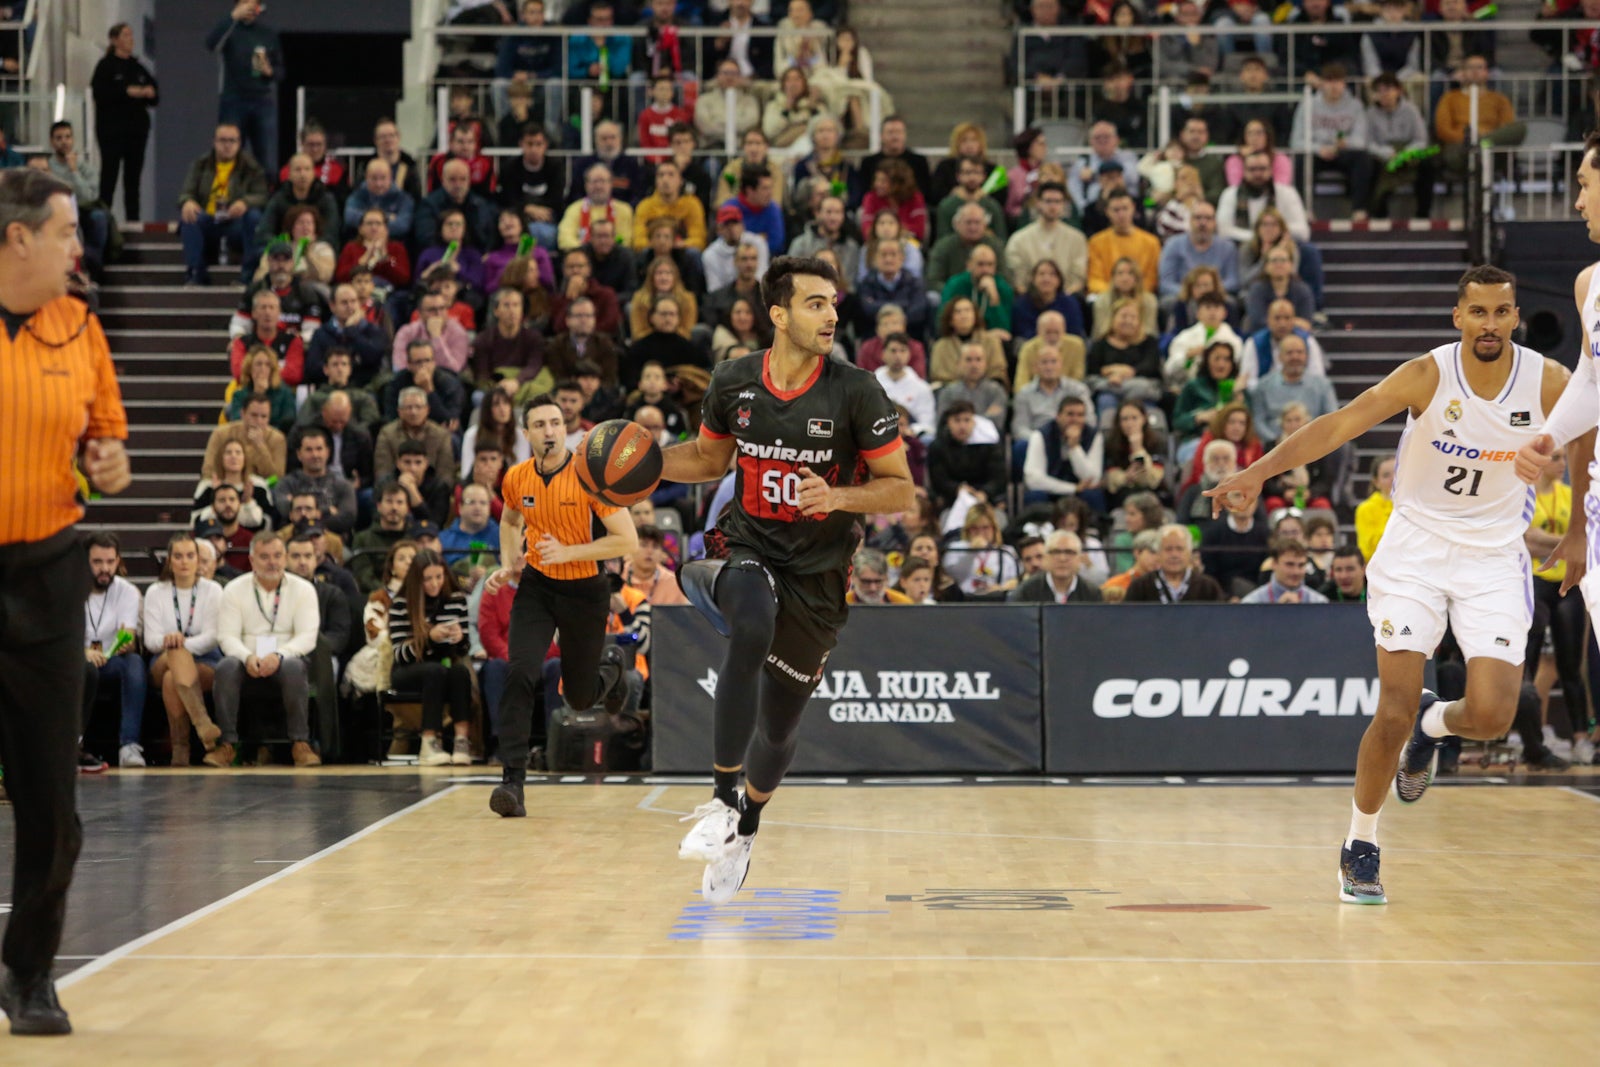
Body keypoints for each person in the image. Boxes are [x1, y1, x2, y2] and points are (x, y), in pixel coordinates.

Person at [1208, 265, 1572, 906]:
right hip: (1417, 550)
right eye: (1478, 312)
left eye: (1502, 312)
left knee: (1490, 716)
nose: (1490, 324)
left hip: (1493, 556)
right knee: (1392, 708)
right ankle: (1361, 843)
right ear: (1457, 317)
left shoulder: (1547, 380)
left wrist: (1579, 519)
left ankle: (1438, 724)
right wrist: (1258, 473)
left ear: (1516, 317)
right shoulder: (1427, 375)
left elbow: (1590, 431)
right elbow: (1337, 425)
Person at [662, 255, 913, 903]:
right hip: (751, 545)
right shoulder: (735, 379)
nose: (831, 314)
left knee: (777, 728)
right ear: (778, 314)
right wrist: (635, 466)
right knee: (749, 623)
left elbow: (901, 492)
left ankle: (744, 825)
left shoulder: (857, 390)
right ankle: (720, 799)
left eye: (833, 302)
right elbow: (709, 458)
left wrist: (836, 498)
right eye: (814, 303)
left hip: (819, 574)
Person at [0, 168, 130, 1035]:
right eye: (65, 232)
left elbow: (106, 439)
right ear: (18, 239)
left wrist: (110, 462)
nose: (78, 247)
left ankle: (30, 971)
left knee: (53, 797)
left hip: (48, 573)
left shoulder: (80, 326)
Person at [481, 394, 639, 814]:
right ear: (525, 433)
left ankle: (613, 668)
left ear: (565, 428)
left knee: (582, 697)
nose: (549, 431)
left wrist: (567, 552)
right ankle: (512, 784)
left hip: (586, 591)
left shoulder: (590, 476)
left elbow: (627, 540)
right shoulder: (516, 477)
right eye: (540, 425)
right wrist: (508, 563)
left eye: (555, 423)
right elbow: (511, 519)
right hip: (536, 587)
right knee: (519, 673)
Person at [388, 547, 474, 766]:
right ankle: (429, 743)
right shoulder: (400, 604)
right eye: (428, 579)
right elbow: (399, 654)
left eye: (438, 577)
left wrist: (459, 639)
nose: (434, 583)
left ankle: (461, 741)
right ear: (417, 580)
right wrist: (428, 638)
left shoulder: (456, 600)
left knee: (460, 671)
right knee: (434, 671)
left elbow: (464, 650)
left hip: (444, 665)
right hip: (407, 670)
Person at [177, 124, 269, 287]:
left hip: (236, 222)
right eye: (223, 140)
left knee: (254, 217)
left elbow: (262, 195)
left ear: (239, 143)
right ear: (214, 142)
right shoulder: (201, 164)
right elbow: (186, 192)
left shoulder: (251, 167)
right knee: (189, 218)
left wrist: (245, 202)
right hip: (209, 219)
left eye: (232, 141)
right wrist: (187, 201)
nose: (227, 145)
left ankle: (248, 277)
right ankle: (196, 275)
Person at [90, 22, 158, 221]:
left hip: (136, 130)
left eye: (131, 35)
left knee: (133, 179)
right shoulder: (105, 66)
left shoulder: (138, 68)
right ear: (115, 39)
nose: (131, 39)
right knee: (109, 175)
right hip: (111, 130)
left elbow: (154, 94)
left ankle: (133, 220)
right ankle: (102, 219)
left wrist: (143, 92)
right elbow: (100, 93)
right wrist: (128, 92)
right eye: (126, 35)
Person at [206, 1, 282, 174]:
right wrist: (233, 17)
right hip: (233, 99)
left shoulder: (268, 34)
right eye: (245, 3)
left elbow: (281, 70)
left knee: (265, 159)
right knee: (228, 153)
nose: (250, 8)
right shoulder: (230, 29)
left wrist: (270, 71)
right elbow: (211, 44)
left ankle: (262, 198)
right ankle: (226, 196)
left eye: (254, 4)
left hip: (262, 100)